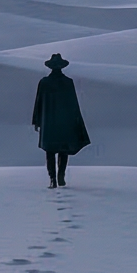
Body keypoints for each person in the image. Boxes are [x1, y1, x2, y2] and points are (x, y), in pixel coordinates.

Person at [31, 52, 90, 187]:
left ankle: (53, 179)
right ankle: (60, 176)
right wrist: (75, 121)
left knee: (50, 151)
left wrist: (37, 121)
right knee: (63, 150)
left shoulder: (44, 82)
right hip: (64, 122)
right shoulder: (67, 82)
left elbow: (38, 103)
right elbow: (73, 105)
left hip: (49, 122)